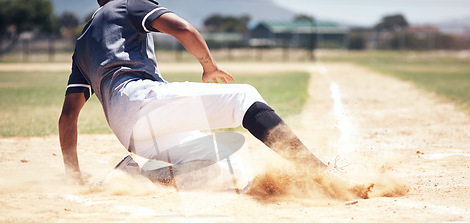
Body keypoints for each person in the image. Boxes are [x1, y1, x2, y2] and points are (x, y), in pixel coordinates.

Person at [59, 0, 326, 186]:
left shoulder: (82, 44)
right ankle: (318, 171)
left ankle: (133, 177)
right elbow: (183, 28)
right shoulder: (126, 4)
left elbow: (68, 117)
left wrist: (73, 173)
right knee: (243, 97)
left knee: (225, 168)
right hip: (142, 102)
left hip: (129, 133)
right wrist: (209, 66)